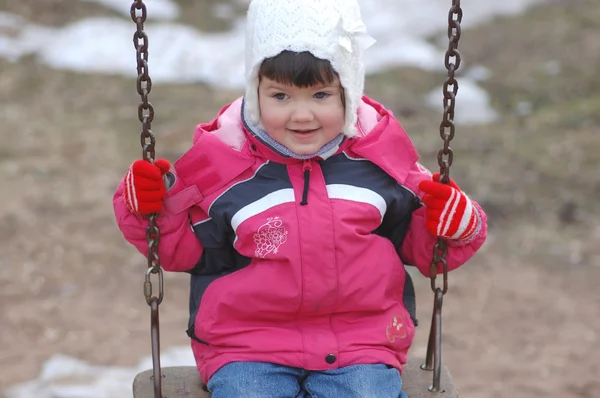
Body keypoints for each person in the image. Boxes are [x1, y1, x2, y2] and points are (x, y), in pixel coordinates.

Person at [113, 0, 488, 396]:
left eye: (321, 95)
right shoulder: (224, 167)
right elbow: (181, 249)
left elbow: (424, 248)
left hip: (359, 342)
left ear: (349, 91)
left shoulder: (382, 164)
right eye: (280, 96)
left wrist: (458, 226)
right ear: (255, 91)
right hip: (247, 344)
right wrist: (146, 208)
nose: (302, 115)